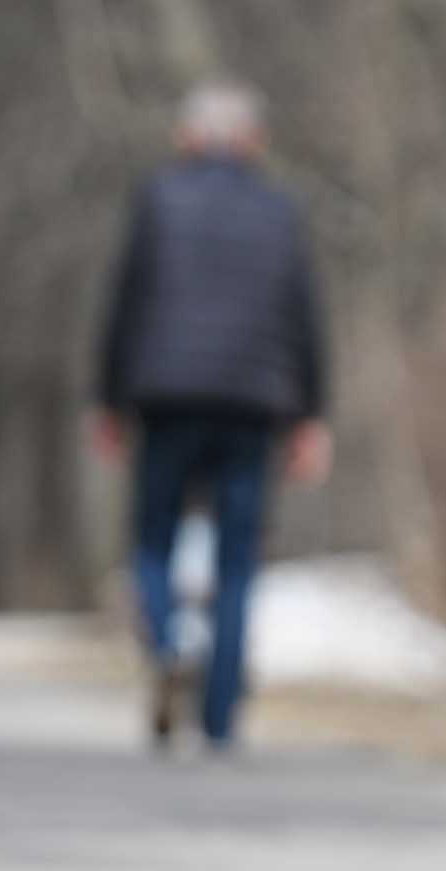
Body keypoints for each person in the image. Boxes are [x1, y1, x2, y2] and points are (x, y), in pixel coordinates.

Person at [93, 82, 332, 751]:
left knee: (153, 539)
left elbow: (125, 303)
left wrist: (109, 399)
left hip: (166, 397)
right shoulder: (280, 209)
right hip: (253, 404)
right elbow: (304, 316)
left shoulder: (158, 199)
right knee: (237, 559)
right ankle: (221, 717)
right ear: (253, 140)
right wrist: (311, 414)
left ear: (189, 137)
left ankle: (167, 641)